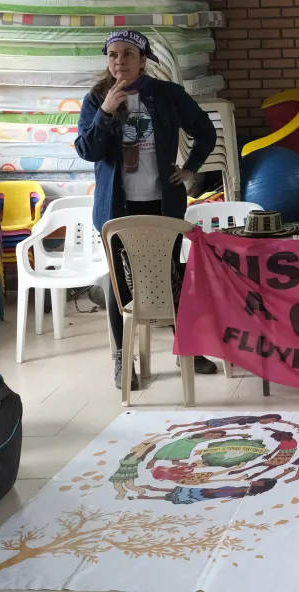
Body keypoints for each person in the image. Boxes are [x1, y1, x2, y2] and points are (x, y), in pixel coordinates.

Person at [75, 29, 218, 389]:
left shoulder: (167, 94)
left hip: (161, 203)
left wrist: (190, 168)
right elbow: (87, 150)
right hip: (116, 208)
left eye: (127, 54)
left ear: (142, 59)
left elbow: (205, 131)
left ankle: (188, 348)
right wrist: (106, 112)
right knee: (118, 283)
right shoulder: (96, 98)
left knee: (171, 274)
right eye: (112, 55)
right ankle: (123, 358)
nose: (119, 61)